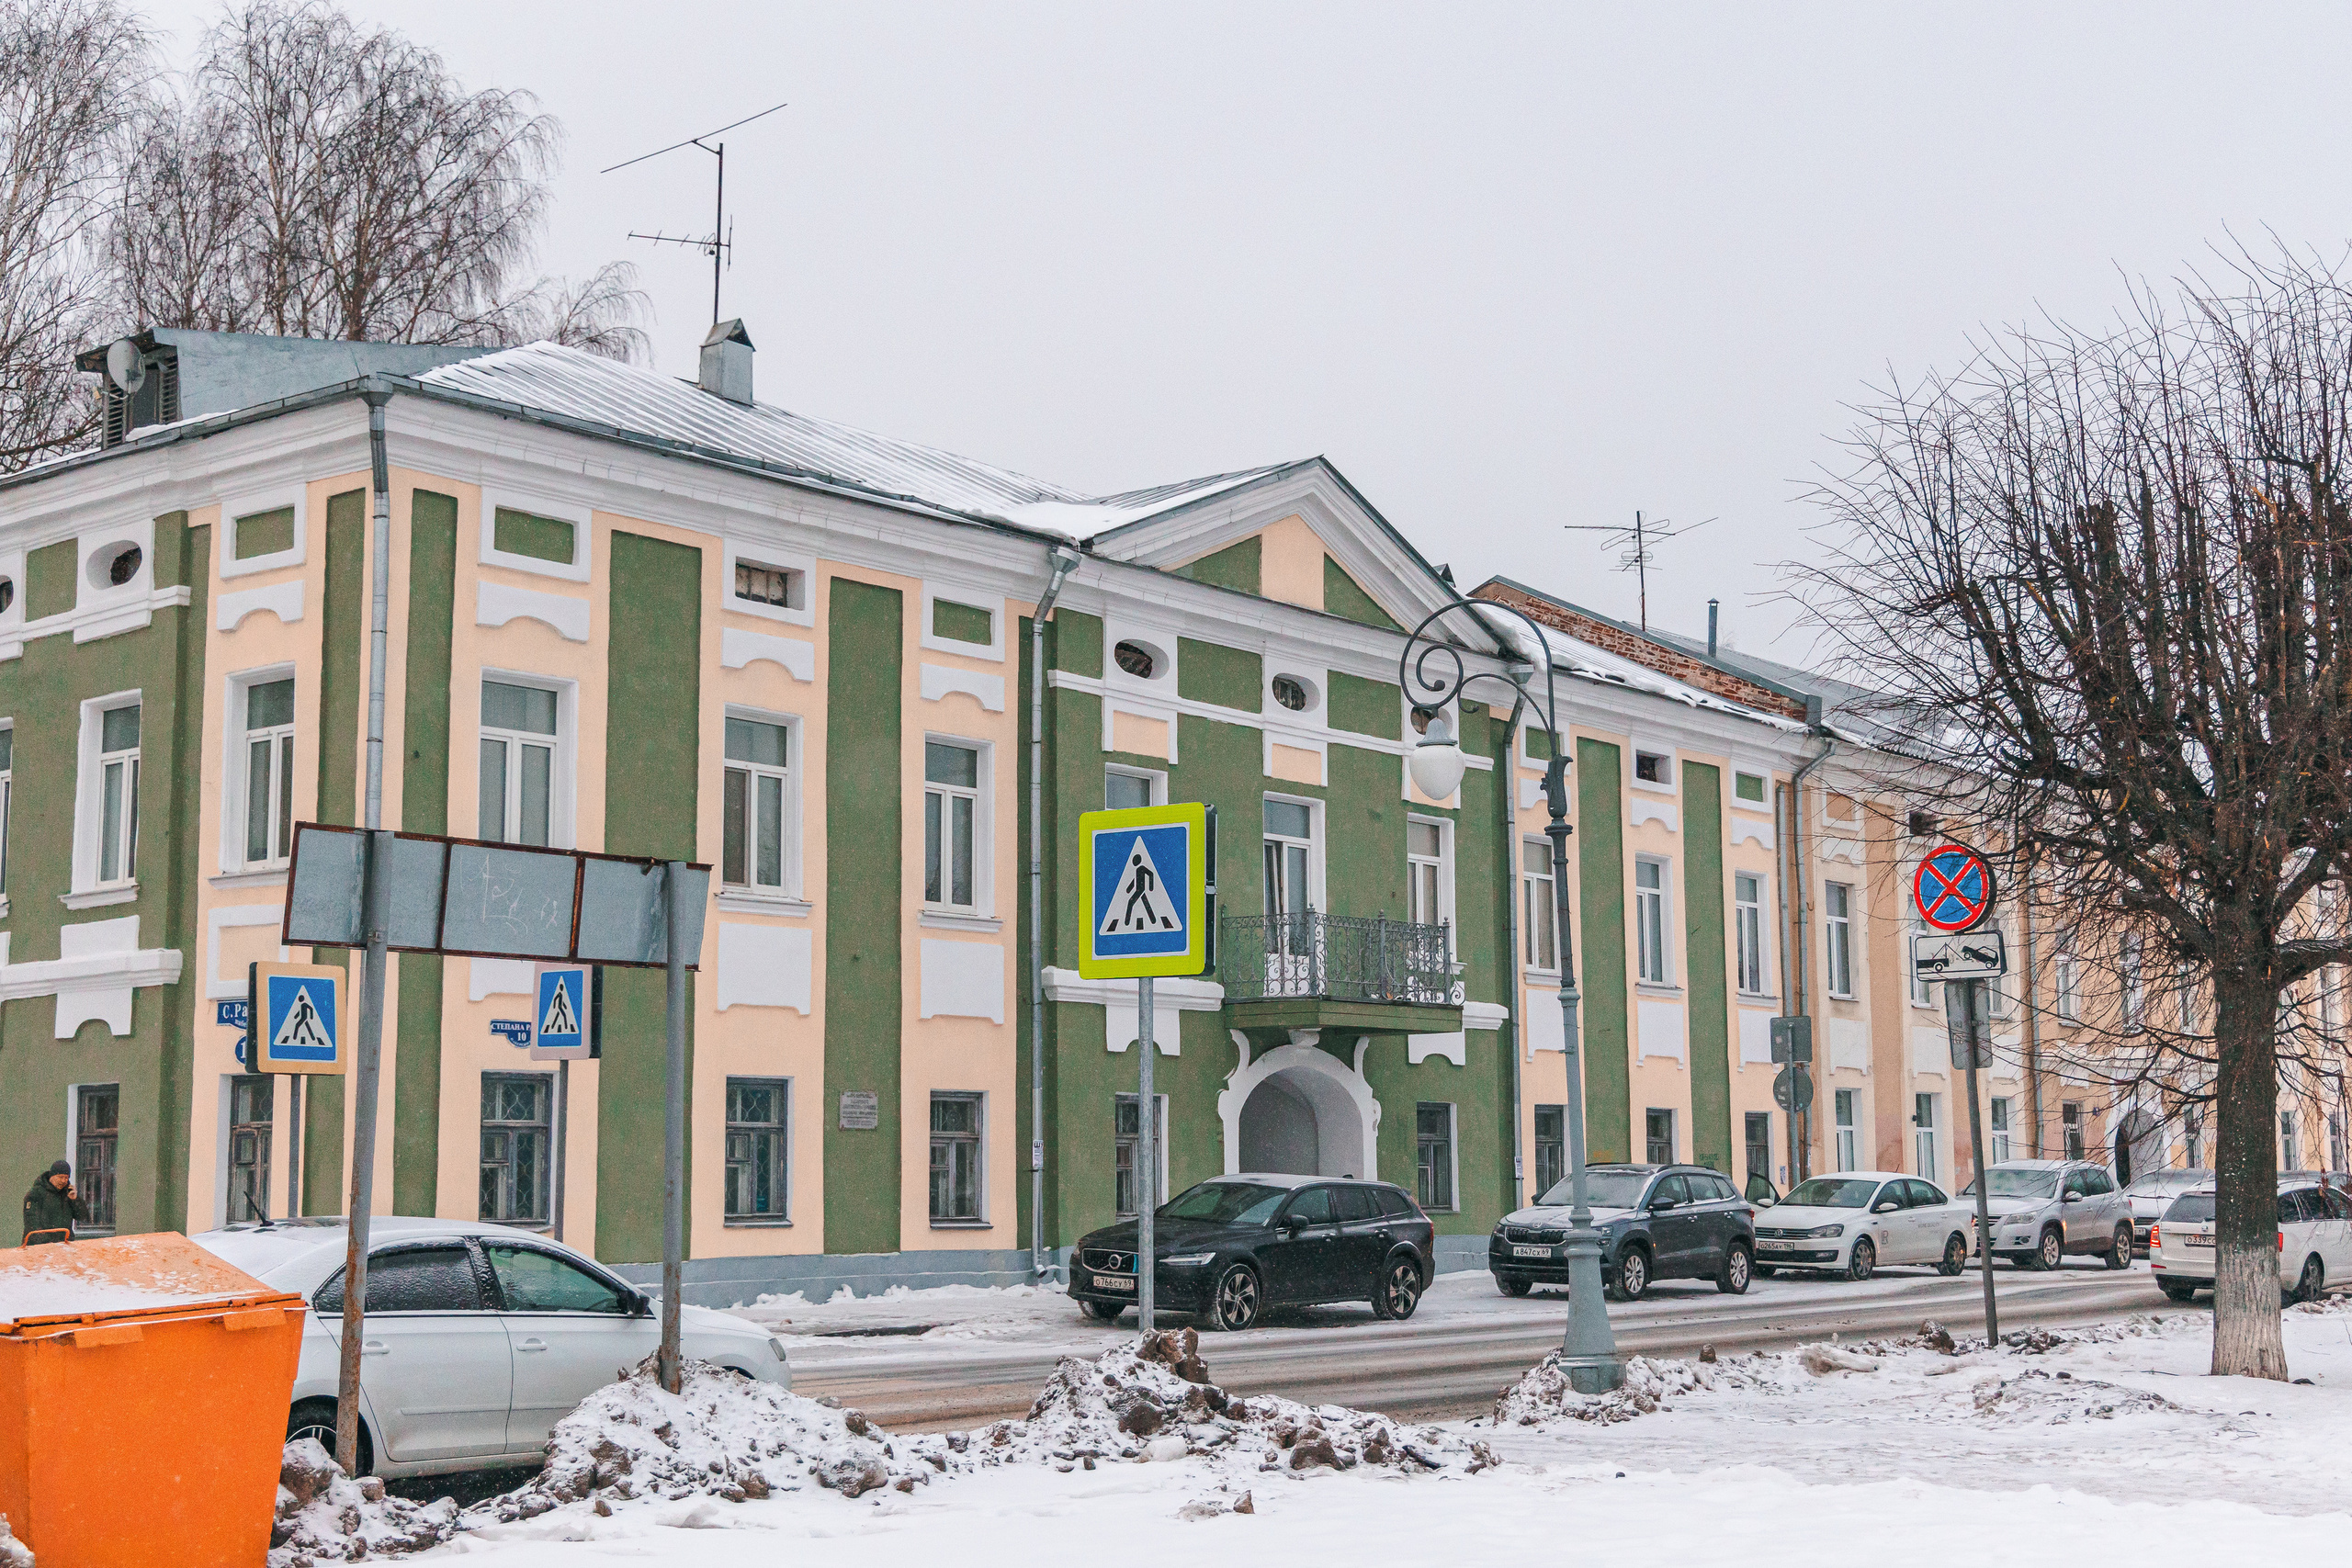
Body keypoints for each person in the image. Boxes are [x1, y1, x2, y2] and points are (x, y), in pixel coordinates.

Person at [22, 1160, 85, 1246]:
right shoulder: (36, 1194)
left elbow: (82, 1217)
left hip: (64, 1246)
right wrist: (46, 1243)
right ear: (52, 1176)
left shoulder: (68, 1194)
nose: (63, 1181)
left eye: (66, 1178)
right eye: (60, 1177)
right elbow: (32, 1222)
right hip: (40, 1247)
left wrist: (75, 1200)